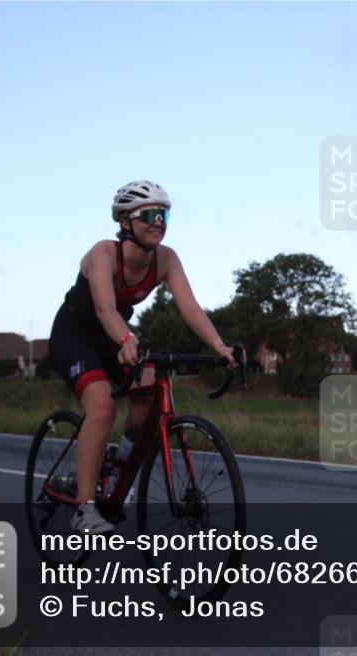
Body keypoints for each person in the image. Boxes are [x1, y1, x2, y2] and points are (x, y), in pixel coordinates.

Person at [48, 180, 236, 534]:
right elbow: (105, 309)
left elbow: (190, 307)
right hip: (75, 335)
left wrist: (219, 346)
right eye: (149, 214)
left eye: (163, 214)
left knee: (150, 391)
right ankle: (84, 510)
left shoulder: (166, 259)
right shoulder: (104, 253)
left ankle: (119, 462)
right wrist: (126, 338)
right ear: (125, 222)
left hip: (116, 337)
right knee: (102, 406)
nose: (158, 222)